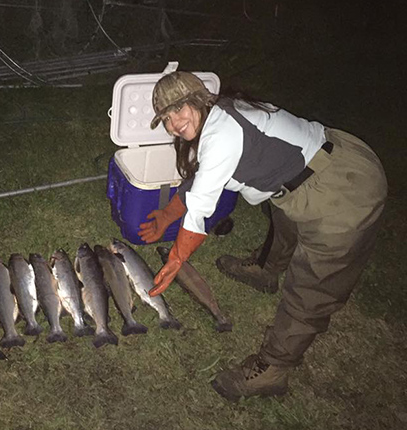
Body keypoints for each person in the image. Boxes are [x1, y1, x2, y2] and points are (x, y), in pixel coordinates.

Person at [138, 71, 387, 401]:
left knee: (311, 287)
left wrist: (177, 258)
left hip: (343, 187)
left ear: (197, 100)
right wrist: (167, 214)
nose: (174, 126)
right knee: (284, 216)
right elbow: (203, 180)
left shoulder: (222, 132)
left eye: (178, 111)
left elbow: (199, 209)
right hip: (314, 167)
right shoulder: (219, 114)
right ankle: (266, 270)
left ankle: (272, 370)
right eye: (166, 119)